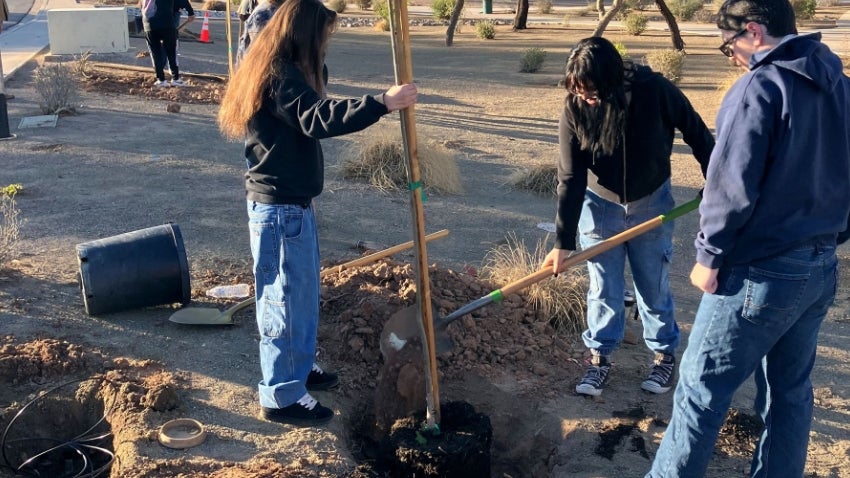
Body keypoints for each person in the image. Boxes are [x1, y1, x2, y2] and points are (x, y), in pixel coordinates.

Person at [647, 0, 850, 476]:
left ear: (753, 32)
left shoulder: (758, 88)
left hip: (761, 274)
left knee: (700, 390)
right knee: (790, 392)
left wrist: (708, 254)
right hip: (818, 268)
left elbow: (730, 186)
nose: (732, 55)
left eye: (729, 44)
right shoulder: (841, 86)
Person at [216, 0, 418, 427]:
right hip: (279, 211)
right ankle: (282, 395)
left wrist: (317, 64)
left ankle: (299, 367)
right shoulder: (276, 77)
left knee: (302, 299)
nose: (326, 46)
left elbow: (313, 96)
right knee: (282, 303)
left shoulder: (282, 68)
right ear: (302, 36)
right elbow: (317, 117)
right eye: (322, 39)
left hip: (294, 207)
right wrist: (381, 102)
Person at [542, 37, 714, 398]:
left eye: (591, 90)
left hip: (651, 202)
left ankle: (664, 356)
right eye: (577, 89)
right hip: (599, 206)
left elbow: (697, 133)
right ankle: (599, 359)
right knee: (604, 287)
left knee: (652, 284)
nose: (585, 96)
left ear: (611, 80)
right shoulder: (575, 106)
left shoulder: (656, 90)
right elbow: (571, 178)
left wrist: (716, 180)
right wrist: (563, 243)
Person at [140, 0, 184, 87]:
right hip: (166, 24)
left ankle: (161, 80)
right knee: (171, 51)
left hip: (149, 24)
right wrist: (189, 11)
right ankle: (175, 79)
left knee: (156, 53)